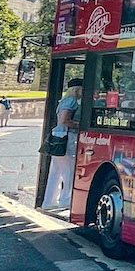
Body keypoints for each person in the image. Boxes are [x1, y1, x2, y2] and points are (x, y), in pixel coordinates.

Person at [42, 79, 82, 208]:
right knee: (69, 170)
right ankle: (65, 199)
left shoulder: (64, 101)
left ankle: (49, 201)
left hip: (58, 137)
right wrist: (79, 125)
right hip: (67, 137)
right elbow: (65, 120)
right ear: (76, 89)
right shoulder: (72, 101)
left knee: (55, 171)